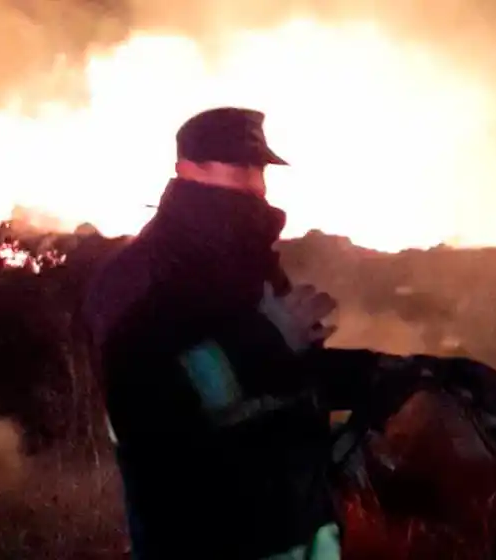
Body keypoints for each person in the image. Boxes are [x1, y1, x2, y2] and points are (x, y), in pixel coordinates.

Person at [82, 107, 371, 559]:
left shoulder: (252, 267)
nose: (256, 183)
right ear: (187, 170)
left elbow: (290, 380)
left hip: (301, 532)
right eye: (239, 166)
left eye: (259, 168)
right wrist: (266, 341)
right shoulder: (137, 280)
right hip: (203, 540)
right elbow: (147, 414)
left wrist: (389, 374)